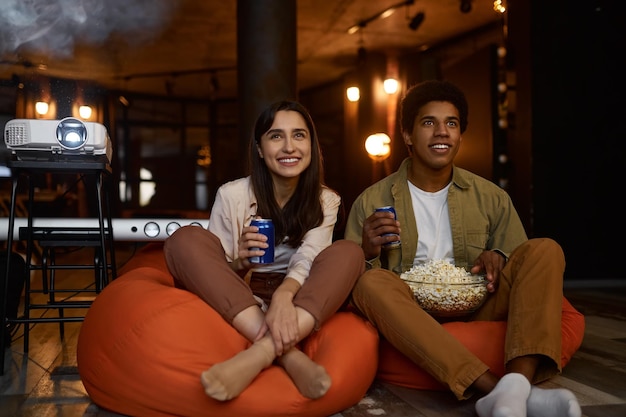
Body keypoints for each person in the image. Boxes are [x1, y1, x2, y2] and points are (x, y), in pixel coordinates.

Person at [344, 80, 582, 417]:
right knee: (370, 282)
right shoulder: (372, 201)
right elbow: (350, 287)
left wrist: (498, 257)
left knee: (545, 249)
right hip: (411, 316)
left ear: (460, 135)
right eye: (429, 123)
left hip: (480, 304)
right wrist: (368, 251)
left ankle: (515, 385)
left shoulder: (492, 198)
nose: (442, 132)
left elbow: (523, 266)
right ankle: (500, 391)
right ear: (408, 135)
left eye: (451, 124)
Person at [164, 100, 364, 402]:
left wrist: (284, 295)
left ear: (311, 144)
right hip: (244, 295)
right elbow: (215, 273)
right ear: (259, 148)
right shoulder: (232, 195)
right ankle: (289, 355)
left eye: (299, 135)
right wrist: (241, 262)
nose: (289, 147)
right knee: (184, 239)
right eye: (275, 136)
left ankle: (261, 352)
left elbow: (309, 255)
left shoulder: (326, 200)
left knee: (349, 252)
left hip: (301, 295)